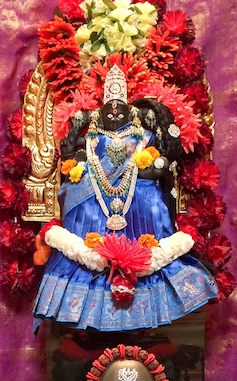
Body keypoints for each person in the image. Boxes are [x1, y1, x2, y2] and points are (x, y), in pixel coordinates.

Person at [33, 66, 217, 332]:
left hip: (140, 206)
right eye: (109, 108)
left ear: (131, 109)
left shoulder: (145, 137)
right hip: (93, 208)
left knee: (150, 198)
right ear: (99, 111)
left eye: (120, 108)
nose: (115, 112)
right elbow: (71, 158)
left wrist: (150, 168)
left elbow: (163, 165)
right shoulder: (90, 139)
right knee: (77, 193)